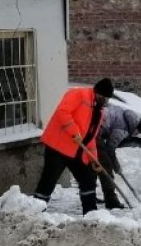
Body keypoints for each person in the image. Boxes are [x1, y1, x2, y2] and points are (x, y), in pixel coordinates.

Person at [33, 79, 112, 213]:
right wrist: (74, 132)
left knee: (88, 179)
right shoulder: (79, 94)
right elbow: (62, 112)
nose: (104, 101)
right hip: (58, 147)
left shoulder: (99, 111)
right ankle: (34, 210)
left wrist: (93, 158)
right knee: (49, 180)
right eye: (103, 97)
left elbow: (91, 137)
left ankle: (91, 214)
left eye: (107, 99)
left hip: (77, 150)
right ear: (97, 92)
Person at [96, 97, 141, 208]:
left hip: (94, 128)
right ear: (137, 129)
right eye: (138, 133)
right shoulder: (123, 129)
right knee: (106, 167)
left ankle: (91, 195)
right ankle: (111, 201)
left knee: (94, 165)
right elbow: (110, 148)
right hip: (95, 131)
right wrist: (116, 167)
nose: (136, 135)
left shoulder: (122, 112)